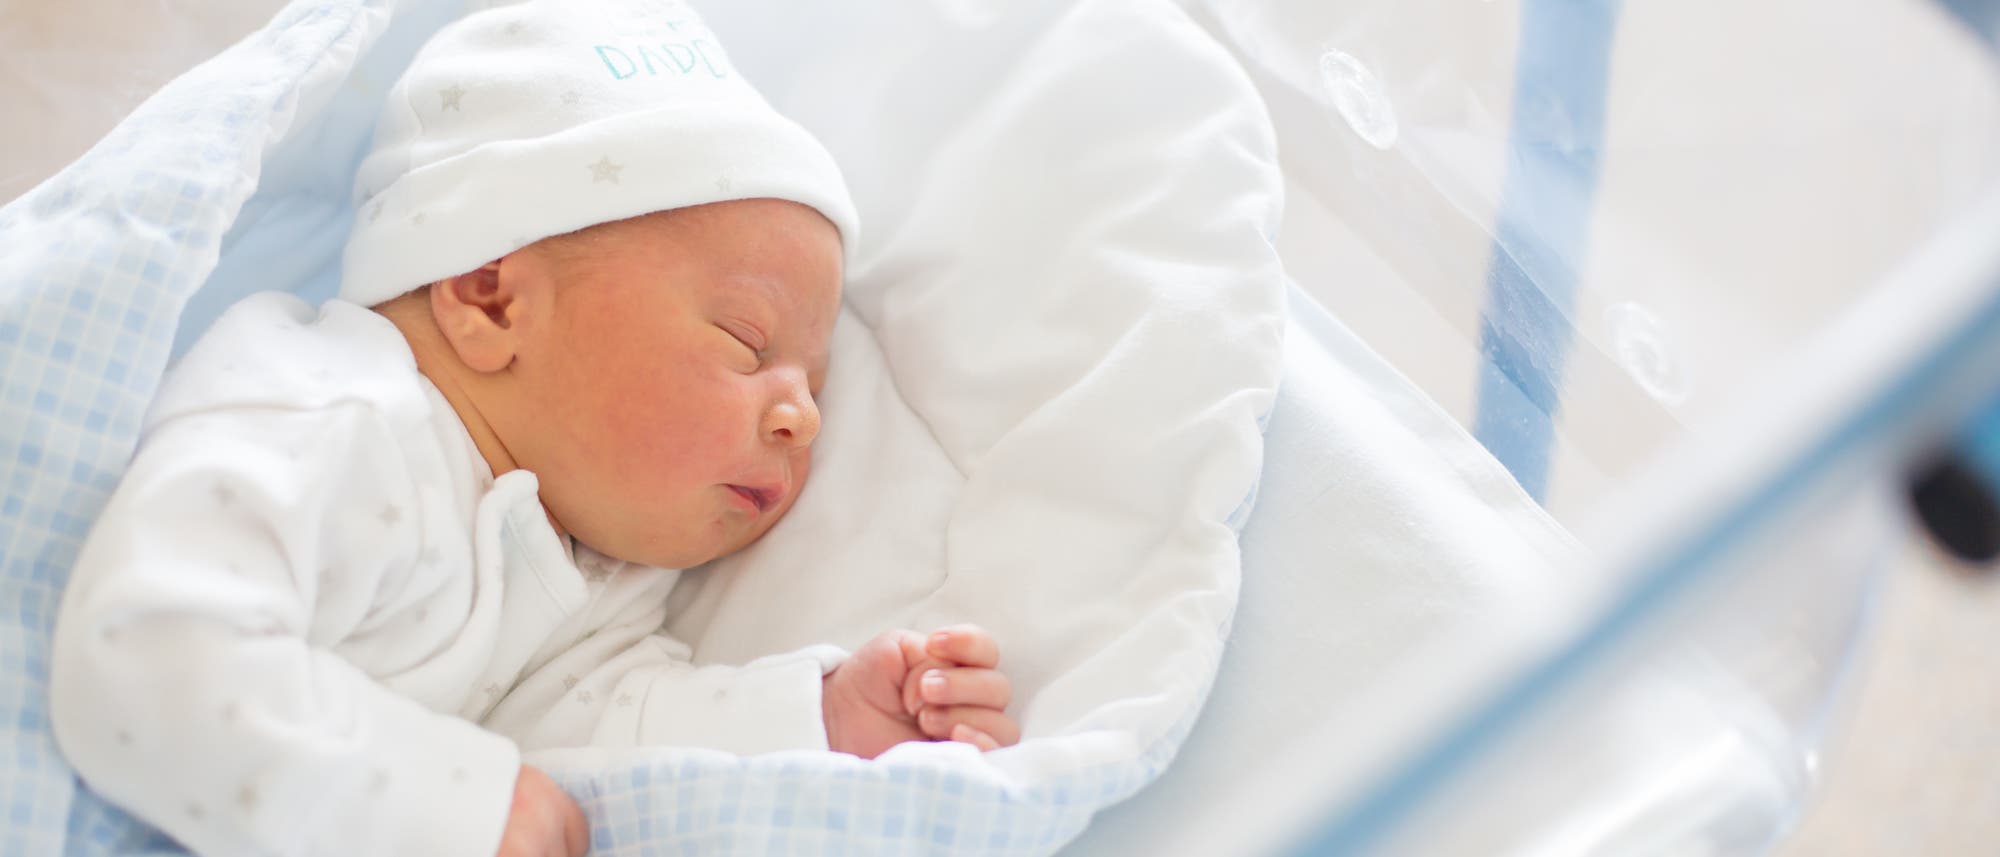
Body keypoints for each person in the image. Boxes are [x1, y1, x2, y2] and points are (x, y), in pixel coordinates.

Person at [47, 2, 1020, 856]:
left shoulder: (594, 573)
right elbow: (145, 653)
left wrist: (821, 716)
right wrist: (445, 807)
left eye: (812, 381)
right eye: (742, 338)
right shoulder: (332, 414)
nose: (800, 412)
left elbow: (604, 725)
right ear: (492, 300)